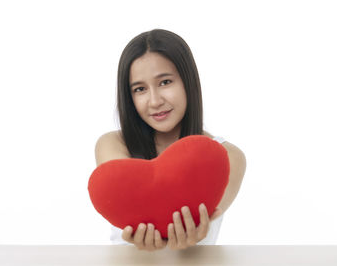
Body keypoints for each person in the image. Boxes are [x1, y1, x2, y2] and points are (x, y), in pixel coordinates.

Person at [94, 29, 246, 251]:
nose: (154, 101)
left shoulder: (228, 156)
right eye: (140, 89)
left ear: (188, 81)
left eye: (165, 82)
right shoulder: (113, 144)